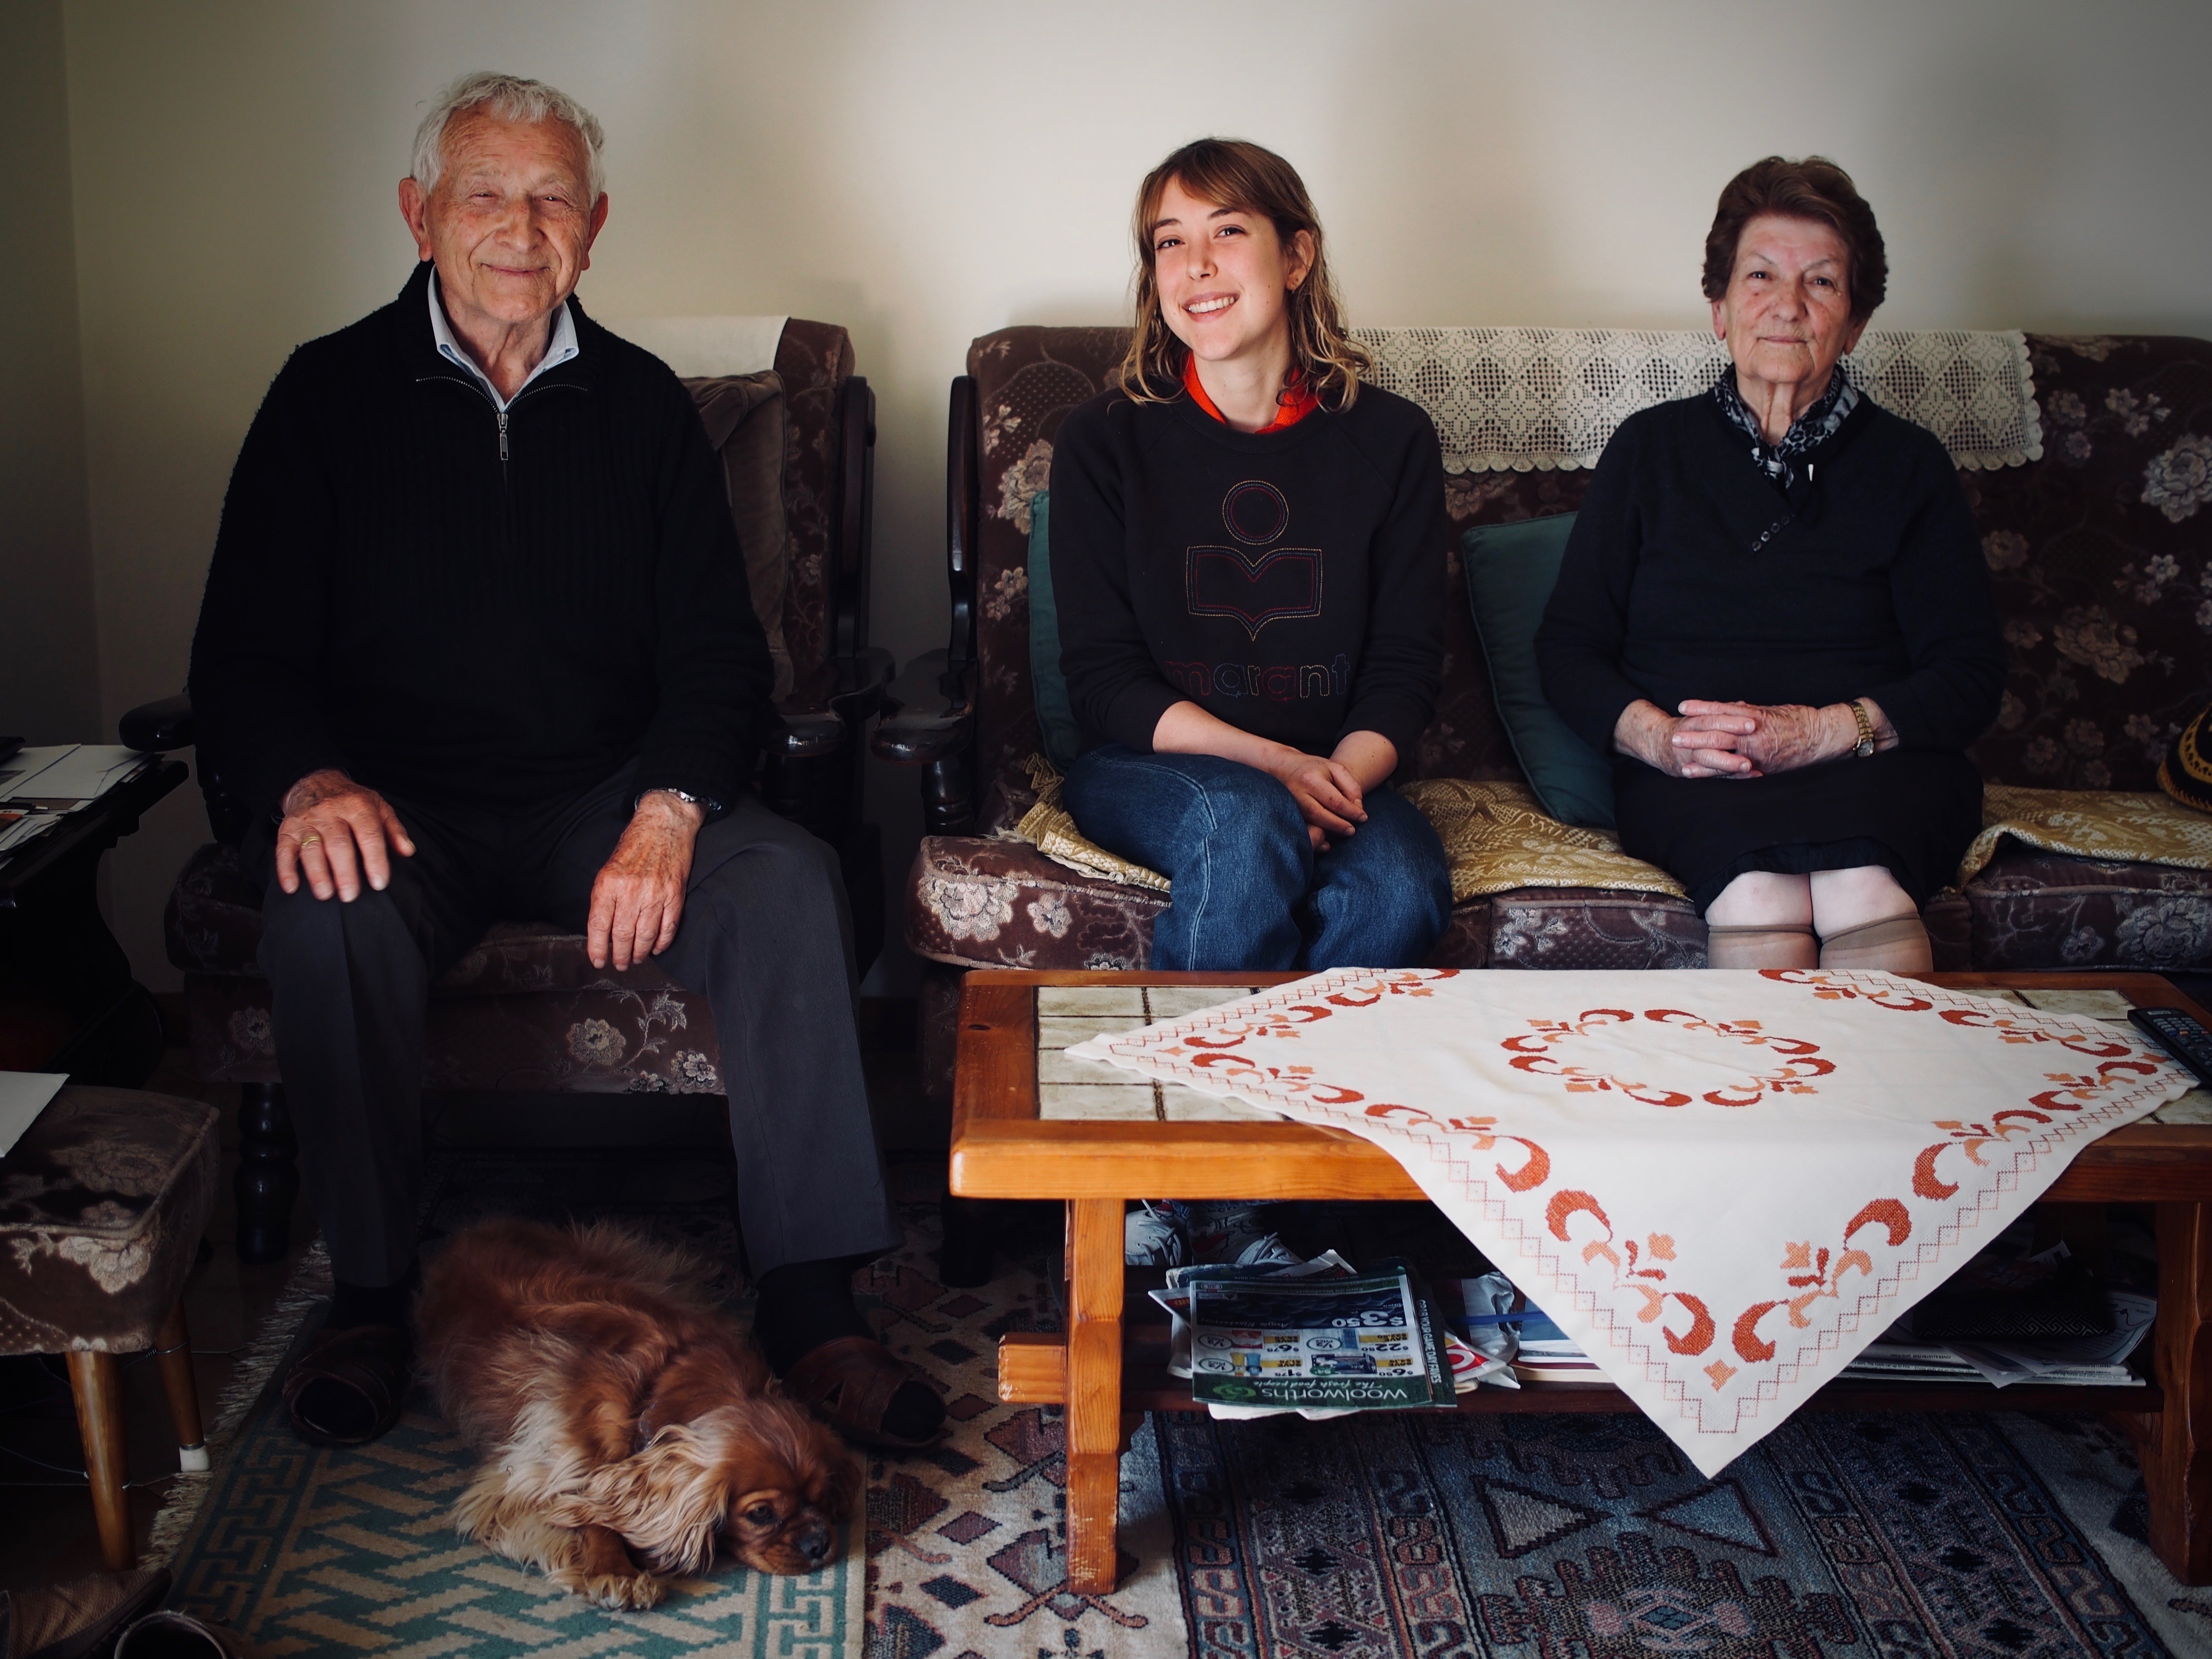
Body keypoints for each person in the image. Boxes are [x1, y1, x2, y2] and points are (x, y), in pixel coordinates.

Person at [188, 72, 940, 1449]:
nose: (519, 228)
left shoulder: (644, 406)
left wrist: (669, 810)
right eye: (485, 193)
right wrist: (309, 782)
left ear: (594, 227)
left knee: (785, 882)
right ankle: (369, 1297)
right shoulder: (325, 394)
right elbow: (241, 656)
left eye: (551, 199)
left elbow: (719, 657)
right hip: (394, 803)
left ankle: (812, 1303)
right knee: (327, 910)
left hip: (603, 794)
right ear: (419, 214)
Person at [1047, 138, 1453, 1267]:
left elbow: (1406, 667)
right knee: (1240, 819)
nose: (1196, 266)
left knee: (1403, 884)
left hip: (1338, 767)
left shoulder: (1391, 440)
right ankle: (1179, 1189)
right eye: (1169, 242)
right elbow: (1105, 682)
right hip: (1153, 765)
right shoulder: (1105, 440)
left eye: (1228, 231)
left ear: (1298, 256)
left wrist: (1340, 776)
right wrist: (1274, 769)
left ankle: (1288, 1213)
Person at [1535, 156, 2004, 973]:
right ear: (1720, 309)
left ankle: (1884, 1065)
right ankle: (1771, 1063)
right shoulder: (1650, 450)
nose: (1788, 306)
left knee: (1865, 890)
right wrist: (1663, 741)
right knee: (1757, 895)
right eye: (1760, 277)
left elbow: (1970, 676)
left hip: (1879, 767)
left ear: (1854, 324)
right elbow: (1569, 648)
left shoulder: (1909, 465)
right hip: (1696, 777)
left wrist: (1823, 733)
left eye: (1821, 282)